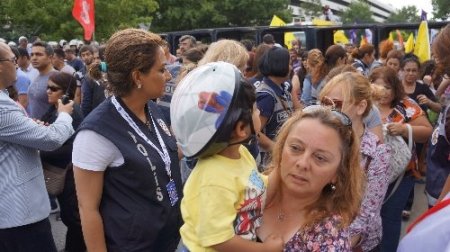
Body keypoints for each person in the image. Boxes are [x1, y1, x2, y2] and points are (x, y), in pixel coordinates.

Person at [72, 28, 182, 251]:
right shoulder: (96, 133)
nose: (168, 76)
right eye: (161, 70)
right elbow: (87, 208)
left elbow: (164, 154)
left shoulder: (152, 108)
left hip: (167, 239)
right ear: (137, 76)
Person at [171, 61, 282, 251]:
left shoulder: (241, 153)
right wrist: (267, 249)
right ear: (240, 128)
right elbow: (219, 240)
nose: (259, 112)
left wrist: (284, 167)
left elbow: (254, 185)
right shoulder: (213, 179)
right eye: (255, 109)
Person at [0, 42, 74, 252]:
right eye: (12, 61)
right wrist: (64, 116)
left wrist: (30, 126)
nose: (17, 65)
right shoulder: (2, 105)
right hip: (19, 215)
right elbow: (50, 139)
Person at [258, 106, 365, 251]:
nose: (302, 163)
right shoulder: (244, 189)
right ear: (281, 148)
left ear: (337, 174)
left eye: (320, 158)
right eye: (295, 148)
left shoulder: (330, 238)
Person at [320, 72, 392, 251]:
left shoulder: (377, 153)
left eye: (335, 104)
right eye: (323, 103)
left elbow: (367, 214)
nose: (327, 110)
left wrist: (337, 246)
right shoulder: (317, 141)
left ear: (360, 107)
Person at [369, 66, 433, 251]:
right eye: (377, 86)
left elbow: (427, 131)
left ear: (395, 87)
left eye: (388, 87)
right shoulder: (362, 104)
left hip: (400, 177)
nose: (383, 92)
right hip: (367, 176)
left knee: (389, 218)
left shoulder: (406, 105)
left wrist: (405, 129)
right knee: (367, 216)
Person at [40, 72, 85, 252]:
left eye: (53, 88)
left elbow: (69, 146)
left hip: (70, 175)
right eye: (47, 87)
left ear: (67, 92)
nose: (48, 91)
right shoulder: (55, 109)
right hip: (62, 173)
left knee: (74, 219)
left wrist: (41, 150)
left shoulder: (71, 112)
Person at [256, 47, 294, 168]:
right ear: (280, 65)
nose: (291, 68)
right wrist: (276, 149)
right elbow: (255, 132)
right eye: (289, 64)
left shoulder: (282, 90)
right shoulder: (266, 96)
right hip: (268, 163)